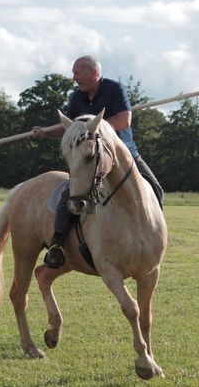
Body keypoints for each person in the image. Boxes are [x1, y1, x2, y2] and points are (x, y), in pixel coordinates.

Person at [31, 55, 163, 269]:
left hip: (125, 158)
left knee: (156, 189)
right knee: (70, 196)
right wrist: (45, 132)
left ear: (93, 73)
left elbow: (124, 120)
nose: (74, 78)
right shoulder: (77, 98)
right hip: (90, 161)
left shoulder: (114, 89)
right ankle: (57, 244)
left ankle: (154, 236)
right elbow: (71, 128)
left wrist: (96, 128)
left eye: (77, 73)